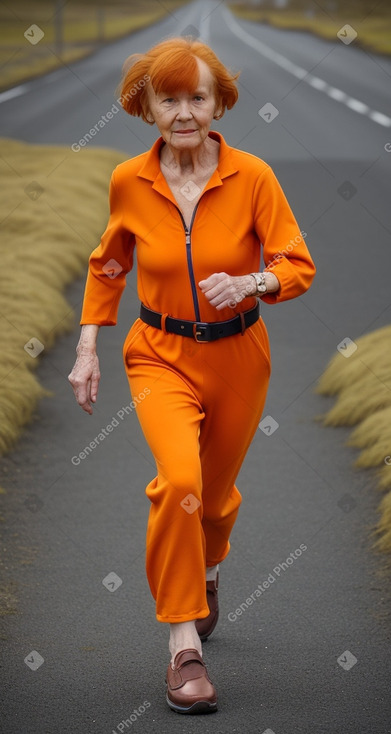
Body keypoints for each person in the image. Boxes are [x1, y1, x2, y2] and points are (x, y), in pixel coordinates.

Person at [68, 36, 316, 715]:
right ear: (145, 107)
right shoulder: (128, 181)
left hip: (238, 358)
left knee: (212, 496)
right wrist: (88, 347)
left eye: (196, 97)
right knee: (178, 483)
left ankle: (205, 570)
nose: (183, 111)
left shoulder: (254, 177)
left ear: (217, 103)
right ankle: (183, 644)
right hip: (159, 354)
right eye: (167, 98)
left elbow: (297, 264)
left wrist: (254, 281)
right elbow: (107, 265)